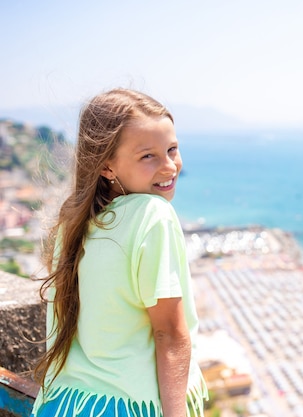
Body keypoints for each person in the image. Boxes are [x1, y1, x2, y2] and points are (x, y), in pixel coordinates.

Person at [32, 88, 208, 417]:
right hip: (127, 407)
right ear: (107, 166)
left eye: (172, 149)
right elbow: (169, 333)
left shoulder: (74, 220)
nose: (170, 166)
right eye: (148, 156)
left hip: (63, 404)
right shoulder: (153, 215)